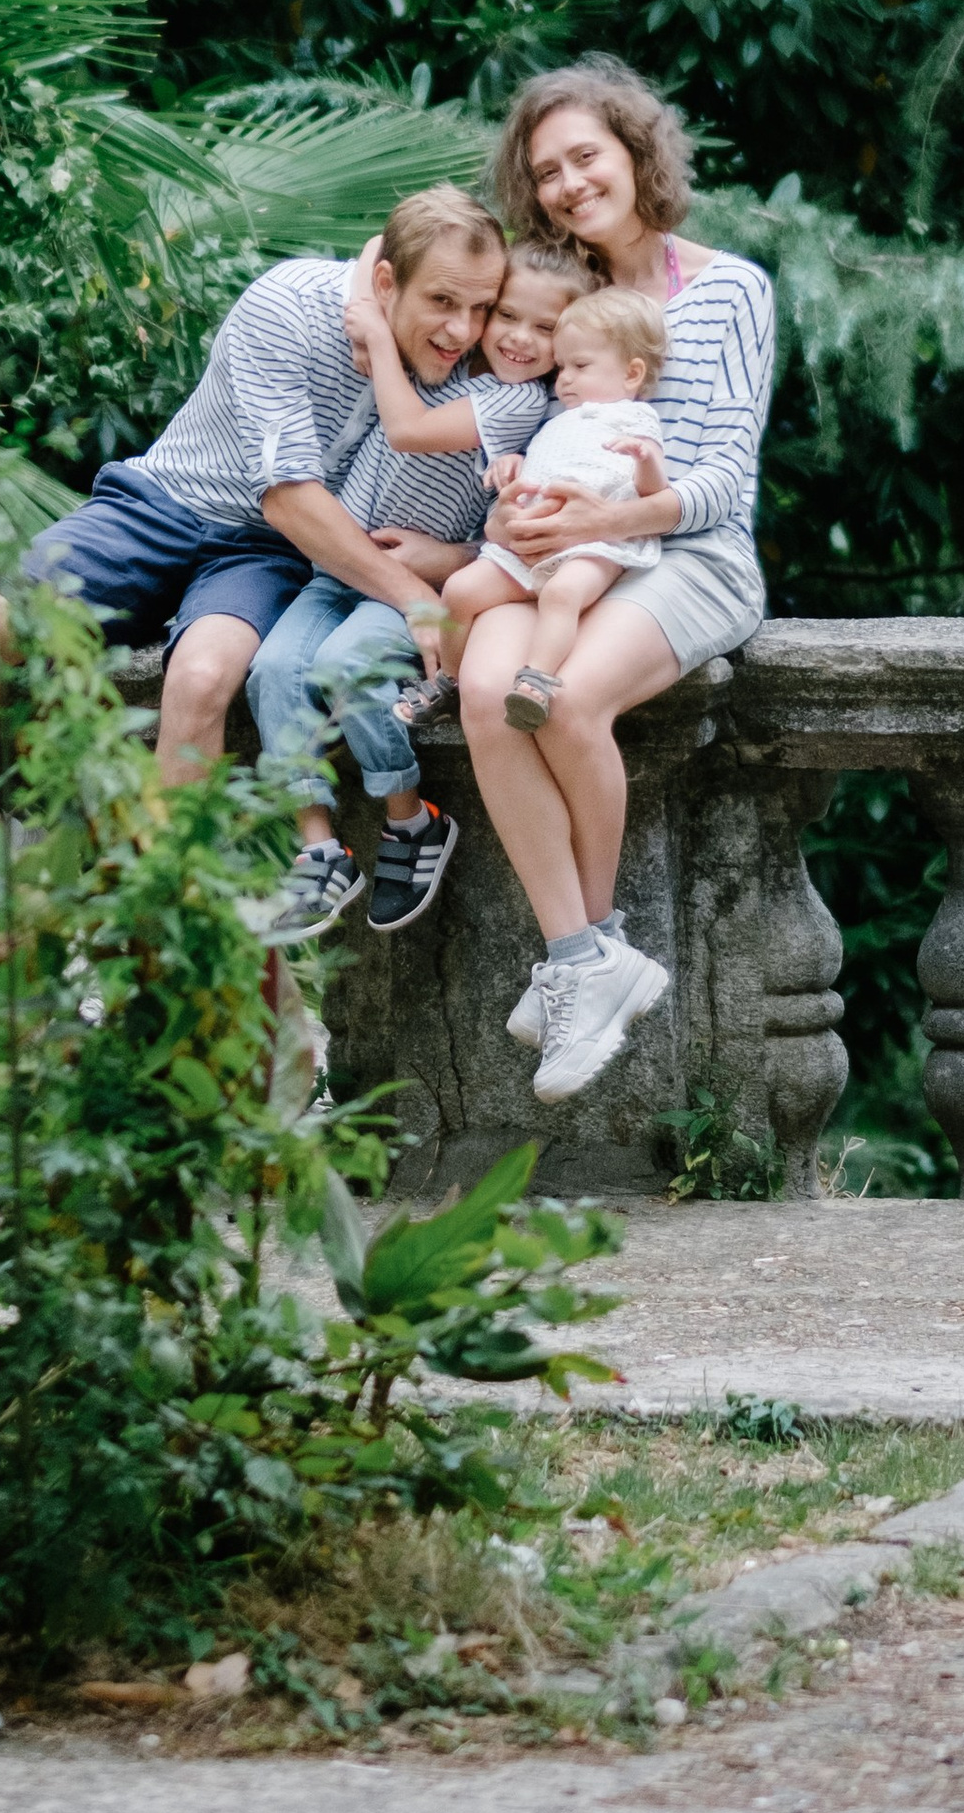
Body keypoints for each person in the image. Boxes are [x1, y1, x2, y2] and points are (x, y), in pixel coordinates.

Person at [0, 185, 506, 827]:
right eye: (443, 302)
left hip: (267, 556)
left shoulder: (465, 360)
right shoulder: (288, 305)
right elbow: (289, 498)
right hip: (162, 504)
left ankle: (171, 914)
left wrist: (461, 556)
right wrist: (415, 597)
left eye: (481, 307)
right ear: (384, 282)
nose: (464, 330)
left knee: (203, 682)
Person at [460, 59, 777, 1111]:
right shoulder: (571, 301)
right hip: (566, 555)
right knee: (486, 693)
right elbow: (526, 425)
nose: (566, 184)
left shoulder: (726, 288)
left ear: (636, 154)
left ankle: (584, 961)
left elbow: (724, 476)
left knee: (569, 697)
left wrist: (611, 519)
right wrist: (512, 510)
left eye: (584, 156)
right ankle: (584, 955)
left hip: (691, 556)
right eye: (545, 171)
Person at [243, 239, 578, 944]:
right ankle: (319, 849)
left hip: (409, 586)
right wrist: (374, 305)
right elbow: (379, 243)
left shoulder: (517, 403)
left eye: (545, 328)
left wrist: (375, 338)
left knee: (346, 669)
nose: (518, 338)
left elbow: (409, 431)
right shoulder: (443, 359)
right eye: (505, 315)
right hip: (338, 571)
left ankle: (411, 822)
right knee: (273, 669)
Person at [429, 285, 670, 727]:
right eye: (561, 367)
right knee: (460, 591)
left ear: (632, 374)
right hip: (529, 545)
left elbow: (653, 493)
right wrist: (513, 464)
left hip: (596, 547)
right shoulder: (557, 420)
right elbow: (543, 468)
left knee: (562, 593)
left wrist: (647, 460)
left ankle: (535, 681)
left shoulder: (634, 420)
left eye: (580, 366)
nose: (564, 379)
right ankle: (448, 679)